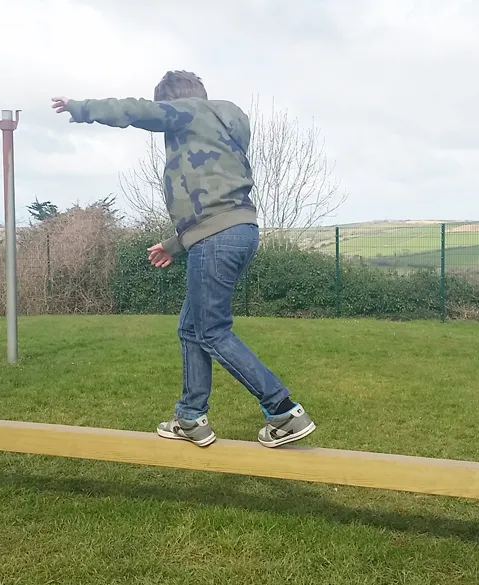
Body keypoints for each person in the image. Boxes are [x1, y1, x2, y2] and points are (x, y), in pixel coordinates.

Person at [51, 70, 316, 448]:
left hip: (216, 238)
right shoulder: (223, 127)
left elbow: (135, 111)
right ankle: (190, 418)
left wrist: (81, 108)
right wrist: (175, 245)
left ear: (174, 104)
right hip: (240, 231)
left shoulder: (188, 112)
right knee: (191, 328)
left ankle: (283, 410)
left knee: (212, 331)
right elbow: (215, 198)